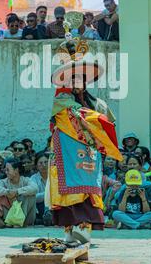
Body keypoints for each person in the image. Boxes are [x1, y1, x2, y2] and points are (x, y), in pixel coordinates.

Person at [49, 55, 123, 244]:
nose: (77, 82)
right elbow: (73, 118)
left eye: (81, 78)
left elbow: (108, 122)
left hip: (88, 156)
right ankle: (69, 231)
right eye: (73, 79)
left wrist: (99, 121)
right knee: (69, 192)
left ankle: (84, 228)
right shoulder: (61, 101)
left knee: (87, 190)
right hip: (67, 154)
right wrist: (96, 120)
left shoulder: (97, 103)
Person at [0, 159, 37, 227]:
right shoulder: (4, 182)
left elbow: (35, 188)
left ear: (16, 170)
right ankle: (12, 221)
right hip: (9, 219)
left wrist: (17, 192)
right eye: (5, 170)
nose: (6, 172)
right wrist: (7, 192)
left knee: (30, 195)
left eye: (8, 170)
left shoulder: (25, 180)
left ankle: (18, 222)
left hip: (26, 219)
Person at [30, 152, 51, 225]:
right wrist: (48, 194)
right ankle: (48, 218)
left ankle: (48, 218)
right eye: (40, 163)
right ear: (36, 166)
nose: (44, 165)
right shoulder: (33, 178)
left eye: (46, 162)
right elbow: (34, 197)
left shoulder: (55, 176)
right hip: (40, 206)